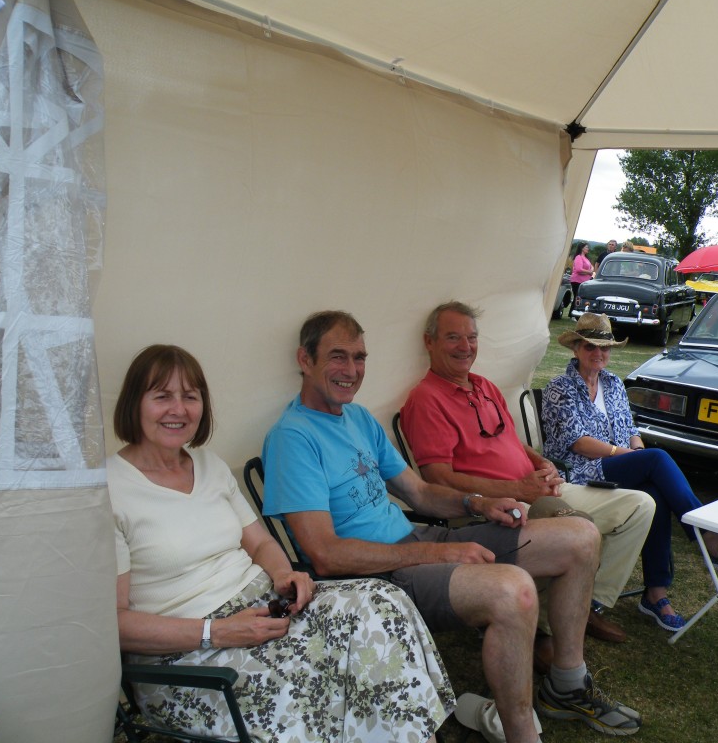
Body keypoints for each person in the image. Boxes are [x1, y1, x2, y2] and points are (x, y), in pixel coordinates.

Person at [262, 311, 642, 741]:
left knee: (580, 537)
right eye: (337, 357)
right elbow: (326, 556)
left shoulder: (358, 418)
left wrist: (479, 502)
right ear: (305, 360)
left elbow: (419, 493)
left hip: (419, 541)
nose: (351, 371)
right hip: (375, 579)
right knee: (511, 591)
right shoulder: (293, 438)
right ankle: (521, 733)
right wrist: (439, 552)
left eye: (359, 357)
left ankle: (567, 685)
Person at [109, 345, 453, 743]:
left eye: (190, 396)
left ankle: (408, 734)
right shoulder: (109, 492)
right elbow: (113, 624)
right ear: (135, 402)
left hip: (262, 609)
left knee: (383, 601)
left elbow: (258, 543)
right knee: (310, 679)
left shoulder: (207, 464)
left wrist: (284, 573)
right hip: (189, 653)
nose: (179, 409)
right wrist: (215, 632)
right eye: (162, 396)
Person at [401, 302, 655, 648]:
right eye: (453, 337)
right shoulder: (426, 399)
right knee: (569, 524)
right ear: (429, 342)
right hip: (491, 508)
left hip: (539, 489)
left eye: (471, 337)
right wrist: (518, 487)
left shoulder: (485, 388)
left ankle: (587, 602)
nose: (465, 346)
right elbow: (438, 479)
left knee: (640, 506)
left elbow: (512, 442)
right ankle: (548, 630)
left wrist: (541, 463)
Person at [540, 313, 718, 632]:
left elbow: (629, 427)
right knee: (656, 460)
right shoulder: (559, 388)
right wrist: (628, 455)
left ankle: (656, 594)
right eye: (590, 347)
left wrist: (636, 452)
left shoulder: (613, 383)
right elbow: (578, 443)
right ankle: (705, 535)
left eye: (605, 348)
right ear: (575, 348)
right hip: (580, 472)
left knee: (655, 491)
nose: (598, 354)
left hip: (615, 467)